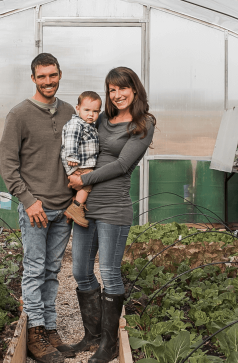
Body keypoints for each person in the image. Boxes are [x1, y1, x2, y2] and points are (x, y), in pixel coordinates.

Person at [67, 67, 156, 363]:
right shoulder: (102, 118)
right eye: (111, 90)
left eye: (122, 88)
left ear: (134, 89)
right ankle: (91, 336)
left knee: (109, 272)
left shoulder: (144, 123)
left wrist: (84, 180)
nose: (116, 95)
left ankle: (109, 343)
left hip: (113, 206)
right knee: (80, 270)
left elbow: (121, 164)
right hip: (86, 206)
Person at [0, 53, 76, 363]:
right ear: (33, 78)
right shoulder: (19, 114)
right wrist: (28, 201)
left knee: (53, 271)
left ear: (60, 75)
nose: (48, 81)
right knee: (34, 270)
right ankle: (34, 334)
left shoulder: (70, 111)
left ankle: (50, 327)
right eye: (41, 76)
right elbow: (7, 163)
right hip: (36, 210)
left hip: (63, 208)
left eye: (52, 75)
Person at [61, 91, 102, 227]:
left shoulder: (88, 125)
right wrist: (72, 157)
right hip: (79, 164)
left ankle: (74, 205)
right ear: (77, 108)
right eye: (87, 110)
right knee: (88, 183)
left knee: (83, 186)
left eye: (95, 111)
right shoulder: (76, 124)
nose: (91, 114)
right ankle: (76, 207)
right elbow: (71, 140)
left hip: (82, 163)